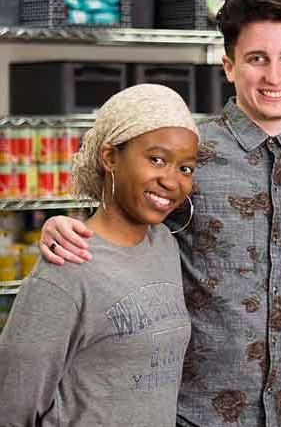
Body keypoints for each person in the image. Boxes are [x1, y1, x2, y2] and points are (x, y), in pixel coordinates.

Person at [38, 0, 281, 427]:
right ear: (228, 66)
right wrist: (61, 226)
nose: (275, 76)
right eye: (257, 59)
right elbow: (116, 233)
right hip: (193, 415)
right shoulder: (187, 155)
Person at [0, 84, 199, 426]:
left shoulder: (165, 245)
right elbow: (11, 406)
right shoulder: (67, 266)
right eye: (156, 159)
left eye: (186, 168)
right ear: (110, 158)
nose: (172, 180)